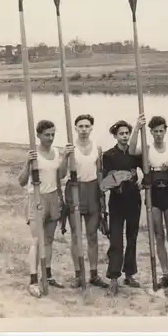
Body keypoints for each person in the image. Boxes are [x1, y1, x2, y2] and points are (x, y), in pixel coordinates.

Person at [129, 114, 168, 292]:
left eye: (161, 131)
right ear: (150, 132)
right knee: (158, 236)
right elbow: (130, 151)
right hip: (154, 194)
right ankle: (165, 274)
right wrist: (136, 128)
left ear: (166, 131)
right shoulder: (147, 148)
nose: (159, 134)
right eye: (155, 131)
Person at [18, 119, 68, 298]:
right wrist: (27, 163)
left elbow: (61, 175)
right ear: (38, 136)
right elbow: (22, 181)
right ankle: (33, 280)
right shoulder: (33, 154)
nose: (51, 138)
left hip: (53, 198)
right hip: (36, 198)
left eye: (53, 134)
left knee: (49, 240)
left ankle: (47, 275)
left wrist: (66, 158)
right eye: (47, 135)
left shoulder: (56, 152)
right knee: (37, 241)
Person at [63, 114, 107, 289]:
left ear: (91, 128)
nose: (83, 129)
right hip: (74, 189)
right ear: (75, 128)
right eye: (80, 126)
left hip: (92, 190)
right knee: (76, 235)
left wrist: (102, 196)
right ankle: (78, 274)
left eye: (86, 126)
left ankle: (94, 274)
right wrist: (65, 157)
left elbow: (100, 173)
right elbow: (60, 174)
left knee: (92, 235)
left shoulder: (97, 148)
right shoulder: (70, 148)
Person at [101, 120, 144, 296]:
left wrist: (143, 180)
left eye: (127, 133)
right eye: (121, 133)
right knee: (116, 240)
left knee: (132, 237)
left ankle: (129, 274)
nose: (125, 136)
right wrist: (118, 179)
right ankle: (113, 278)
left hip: (134, 199)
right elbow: (106, 181)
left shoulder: (136, 154)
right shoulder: (109, 155)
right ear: (115, 136)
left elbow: (146, 172)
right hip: (117, 202)